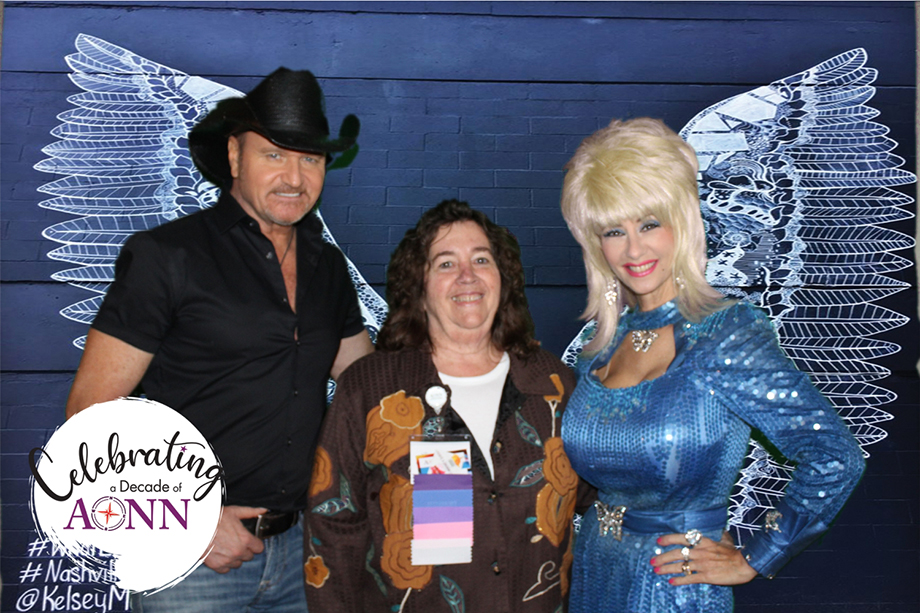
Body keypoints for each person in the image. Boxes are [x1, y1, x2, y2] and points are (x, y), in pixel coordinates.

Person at [64, 68, 374, 612]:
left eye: (310, 159)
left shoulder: (328, 268)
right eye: (273, 155)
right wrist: (193, 521)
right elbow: (89, 413)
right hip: (190, 563)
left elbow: (368, 387)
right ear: (234, 156)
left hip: (305, 552)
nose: (294, 178)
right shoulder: (167, 256)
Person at [558, 118, 865, 612]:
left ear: (681, 222)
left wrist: (760, 554)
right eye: (614, 231)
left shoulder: (726, 334)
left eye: (649, 223)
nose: (634, 249)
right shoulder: (597, 351)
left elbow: (833, 454)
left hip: (674, 586)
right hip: (596, 573)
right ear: (597, 245)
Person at [304, 200, 589, 612]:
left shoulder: (553, 384)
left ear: (503, 279)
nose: (467, 276)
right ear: (418, 288)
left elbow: (602, 492)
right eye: (445, 263)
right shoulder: (370, 390)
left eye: (481, 259)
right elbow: (332, 528)